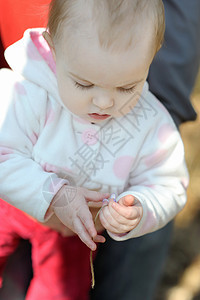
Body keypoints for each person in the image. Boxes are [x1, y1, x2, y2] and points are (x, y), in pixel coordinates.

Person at [0, 0, 189, 299]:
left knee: (61, 290)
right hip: (8, 207)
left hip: (77, 232)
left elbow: (169, 183)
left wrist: (140, 207)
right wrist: (54, 193)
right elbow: (3, 156)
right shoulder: (26, 91)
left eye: (126, 87)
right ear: (52, 47)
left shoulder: (149, 122)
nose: (104, 103)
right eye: (84, 84)